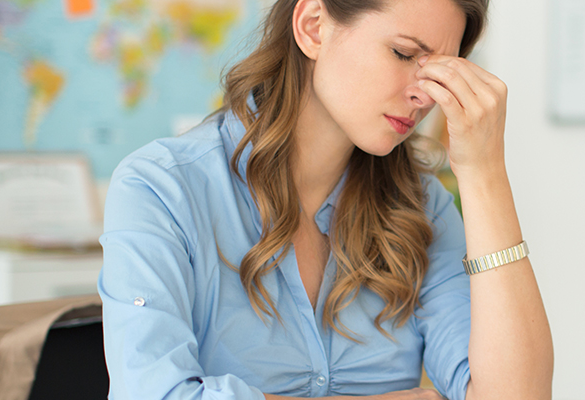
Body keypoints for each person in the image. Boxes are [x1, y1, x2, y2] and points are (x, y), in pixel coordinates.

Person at [96, 0, 553, 398]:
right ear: (313, 26)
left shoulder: (423, 205)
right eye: (403, 53)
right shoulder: (161, 190)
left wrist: (483, 172)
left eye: (440, 73)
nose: (423, 94)